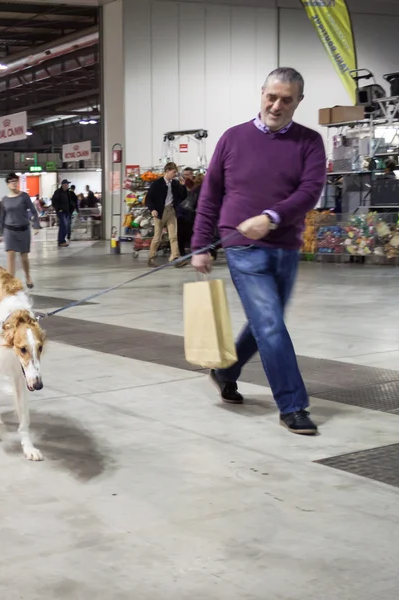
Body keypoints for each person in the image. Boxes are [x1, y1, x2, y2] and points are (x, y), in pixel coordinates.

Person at [191, 67, 326, 436]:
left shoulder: (310, 142)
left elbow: (310, 191)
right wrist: (201, 245)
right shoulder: (233, 138)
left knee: (266, 325)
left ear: (299, 101)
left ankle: (225, 372)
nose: (277, 105)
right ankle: (293, 405)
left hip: (284, 246)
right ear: (261, 93)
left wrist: (271, 217)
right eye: (272, 96)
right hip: (241, 245)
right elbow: (210, 195)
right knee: (270, 324)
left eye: (286, 99)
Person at [0, 173, 41, 289]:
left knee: (24, 257)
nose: (14, 183)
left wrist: (36, 225)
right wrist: (0, 233)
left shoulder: (24, 196)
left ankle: (27, 276)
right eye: (11, 181)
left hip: (23, 230)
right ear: (7, 184)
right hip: (9, 231)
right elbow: (2, 217)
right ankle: (11, 283)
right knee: (10, 255)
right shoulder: (5, 200)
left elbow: (33, 211)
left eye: (15, 181)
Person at [145, 161, 187, 267]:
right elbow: (148, 198)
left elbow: (183, 197)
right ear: (167, 171)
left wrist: (183, 187)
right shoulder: (157, 184)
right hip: (159, 212)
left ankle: (175, 258)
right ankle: (151, 257)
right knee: (157, 237)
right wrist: (152, 209)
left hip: (171, 211)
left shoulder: (175, 184)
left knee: (173, 236)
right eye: (173, 172)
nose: (175, 175)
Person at [51, 179, 75, 247]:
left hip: (67, 212)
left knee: (65, 226)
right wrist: (59, 209)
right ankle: (61, 241)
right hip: (61, 212)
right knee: (63, 226)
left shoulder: (68, 192)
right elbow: (54, 201)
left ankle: (61, 240)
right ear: (63, 185)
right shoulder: (58, 192)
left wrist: (72, 208)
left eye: (68, 184)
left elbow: (71, 201)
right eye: (66, 184)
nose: (67, 185)